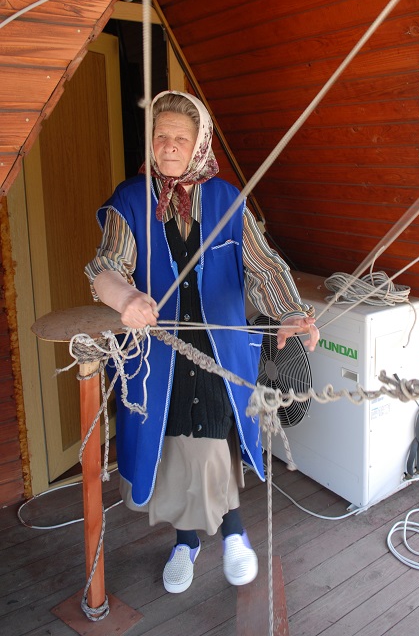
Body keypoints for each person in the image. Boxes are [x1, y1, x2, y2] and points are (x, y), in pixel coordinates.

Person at [85, 90, 319, 594]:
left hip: (219, 353)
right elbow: (105, 267)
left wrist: (290, 313)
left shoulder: (227, 199)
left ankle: (233, 536)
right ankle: (186, 543)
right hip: (159, 360)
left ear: (199, 144)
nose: (169, 145)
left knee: (216, 440)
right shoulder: (131, 200)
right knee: (174, 450)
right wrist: (126, 297)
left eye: (180, 137)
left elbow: (263, 267)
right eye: (160, 135)